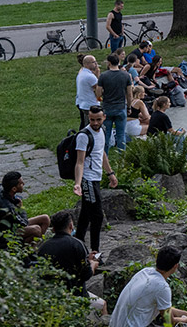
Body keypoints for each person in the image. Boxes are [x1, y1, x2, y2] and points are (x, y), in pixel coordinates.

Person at [108, 246, 187, 327]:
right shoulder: (162, 287)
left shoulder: (145, 272)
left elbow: (165, 309)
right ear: (175, 266)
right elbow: (169, 322)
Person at [73, 106, 117, 253]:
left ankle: (78, 243)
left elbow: (101, 153)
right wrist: (78, 184)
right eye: (92, 120)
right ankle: (95, 251)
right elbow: (80, 162)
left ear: (104, 117)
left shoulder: (103, 130)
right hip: (87, 179)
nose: (95, 123)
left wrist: (110, 173)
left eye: (98, 119)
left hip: (96, 178)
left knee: (85, 214)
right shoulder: (83, 136)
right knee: (97, 216)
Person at [36, 210, 99, 296]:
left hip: (50, 295)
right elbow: (86, 274)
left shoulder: (44, 247)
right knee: (102, 304)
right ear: (71, 225)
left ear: (53, 229)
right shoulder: (77, 244)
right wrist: (92, 264)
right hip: (73, 295)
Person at [0, 170, 51, 244]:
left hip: (10, 226)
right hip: (1, 236)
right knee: (36, 229)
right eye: (21, 183)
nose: (24, 184)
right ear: (14, 189)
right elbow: (24, 223)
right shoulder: (8, 208)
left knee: (45, 218)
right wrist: (21, 208)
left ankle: (31, 246)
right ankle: (28, 252)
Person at [96, 53, 133, 150]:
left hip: (107, 108)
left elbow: (98, 93)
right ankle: (122, 157)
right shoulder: (126, 76)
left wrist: (103, 95)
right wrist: (129, 107)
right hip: (121, 107)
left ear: (109, 62)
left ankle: (105, 157)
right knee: (121, 134)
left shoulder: (103, 76)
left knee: (106, 135)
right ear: (119, 62)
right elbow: (129, 94)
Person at [76, 54, 100, 129]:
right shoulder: (90, 77)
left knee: (85, 125)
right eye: (94, 62)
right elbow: (99, 90)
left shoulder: (82, 72)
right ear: (87, 64)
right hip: (91, 104)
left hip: (83, 103)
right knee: (92, 126)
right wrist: (98, 75)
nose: (96, 64)